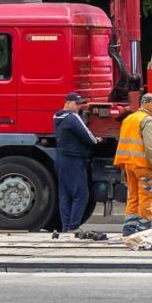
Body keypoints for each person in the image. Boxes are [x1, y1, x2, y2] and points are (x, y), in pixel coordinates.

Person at [113, 93, 152, 236]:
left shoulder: (129, 119)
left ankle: (129, 228)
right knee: (146, 195)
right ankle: (143, 228)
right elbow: (151, 145)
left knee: (133, 195)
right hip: (143, 165)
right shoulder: (147, 120)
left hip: (129, 164)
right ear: (150, 103)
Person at [52, 92, 100, 232]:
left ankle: (66, 226)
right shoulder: (72, 117)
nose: (79, 107)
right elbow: (89, 137)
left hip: (61, 158)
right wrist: (98, 140)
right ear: (68, 102)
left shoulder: (57, 116)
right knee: (81, 194)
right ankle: (73, 226)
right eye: (76, 103)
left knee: (65, 194)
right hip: (73, 160)